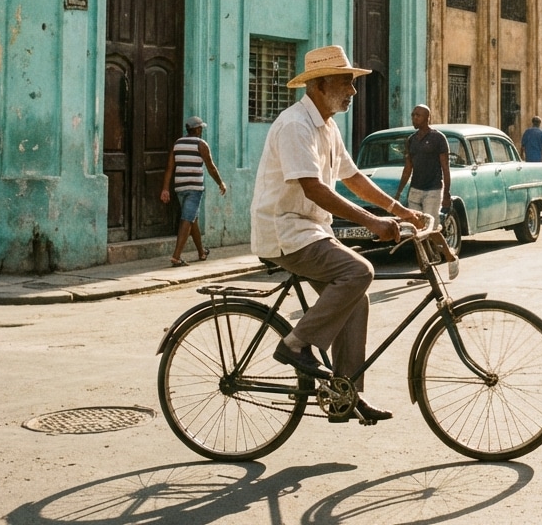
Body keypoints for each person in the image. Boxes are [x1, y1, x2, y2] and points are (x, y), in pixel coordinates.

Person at [250, 45, 422, 422]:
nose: (353, 91)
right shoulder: (296, 125)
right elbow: (314, 188)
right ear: (320, 83)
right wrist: (372, 223)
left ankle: (344, 393)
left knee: (355, 299)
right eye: (347, 82)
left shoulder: (327, 125)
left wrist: (399, 210)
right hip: (286, 231)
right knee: (359, 272)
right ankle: (295, 344)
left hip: (309, 230)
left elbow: (353, 178)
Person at [160, 115, 226, 267]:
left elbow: (170, 167)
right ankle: (176, 257)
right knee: (187, 219)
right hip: (194, 188)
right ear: (196, 129)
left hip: (180, 187)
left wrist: (165, 188)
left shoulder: (177, 143)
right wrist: (220, 183)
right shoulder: (201, 144)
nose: (201, 130)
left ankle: (201, 252)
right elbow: (211, 167)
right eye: (200, 128)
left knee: (192, 218)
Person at [395, 104, 451, 225]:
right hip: (415, 190)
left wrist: (446, 193)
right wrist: (399, 192)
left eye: (418, 115)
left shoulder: (438, 138)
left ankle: (438, 244)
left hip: (433, 190)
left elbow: (445, 168)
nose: (414, 118)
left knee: (431, 226)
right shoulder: (411, 140)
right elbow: (407, 169)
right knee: (416, 226)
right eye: (413, 115)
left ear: (427, 118)